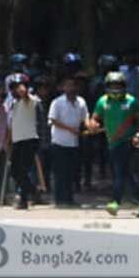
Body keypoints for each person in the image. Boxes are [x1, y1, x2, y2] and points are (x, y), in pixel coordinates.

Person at [89, 71, 139, 216]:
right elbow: (95, 117)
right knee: (126, 174)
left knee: (119, 173)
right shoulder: (102, 101)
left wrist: (138, 134)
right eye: (112, 86)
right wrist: (93, 124)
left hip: (127, 141)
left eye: (118, 85)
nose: (115, 89)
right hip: (111, 141)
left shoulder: (131, 101)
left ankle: (115, 202)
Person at [47, 76, 86, 207]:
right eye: (68, 86)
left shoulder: (81, 102)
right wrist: (70, 129)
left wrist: (90, 126)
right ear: (63, 88)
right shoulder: (57, 102)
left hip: (74, 143)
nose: (71, 88)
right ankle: (59, 200)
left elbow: (85, 118)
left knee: (71, 172)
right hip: (59, 141)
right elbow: (53, 120)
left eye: (73, 86)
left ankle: (69, 199)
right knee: (60, 172)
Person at [6, 73, 39, 209]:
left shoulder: (31, 101)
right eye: (13, 88)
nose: (16, 90)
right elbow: (12, 124)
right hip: (17, 140)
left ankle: (25, 198)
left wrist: (23, 90)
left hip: (29, 139)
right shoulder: (13, 103)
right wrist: (8, 141)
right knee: (15, 171)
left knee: (23, 171)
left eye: (17, 87)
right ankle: (32, 192)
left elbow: (26, 96)